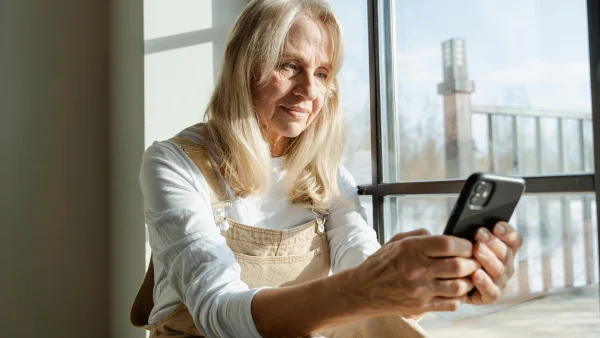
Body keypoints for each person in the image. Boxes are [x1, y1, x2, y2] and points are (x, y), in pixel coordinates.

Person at [130, 0, 524, 337]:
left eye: (322, 73)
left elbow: (363, 274)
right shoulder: (173, 163)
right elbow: (217, 313)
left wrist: (442, 279)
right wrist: (368, 286)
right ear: (243, 67)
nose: (310, 90)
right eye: (288, 66)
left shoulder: (329, 177)